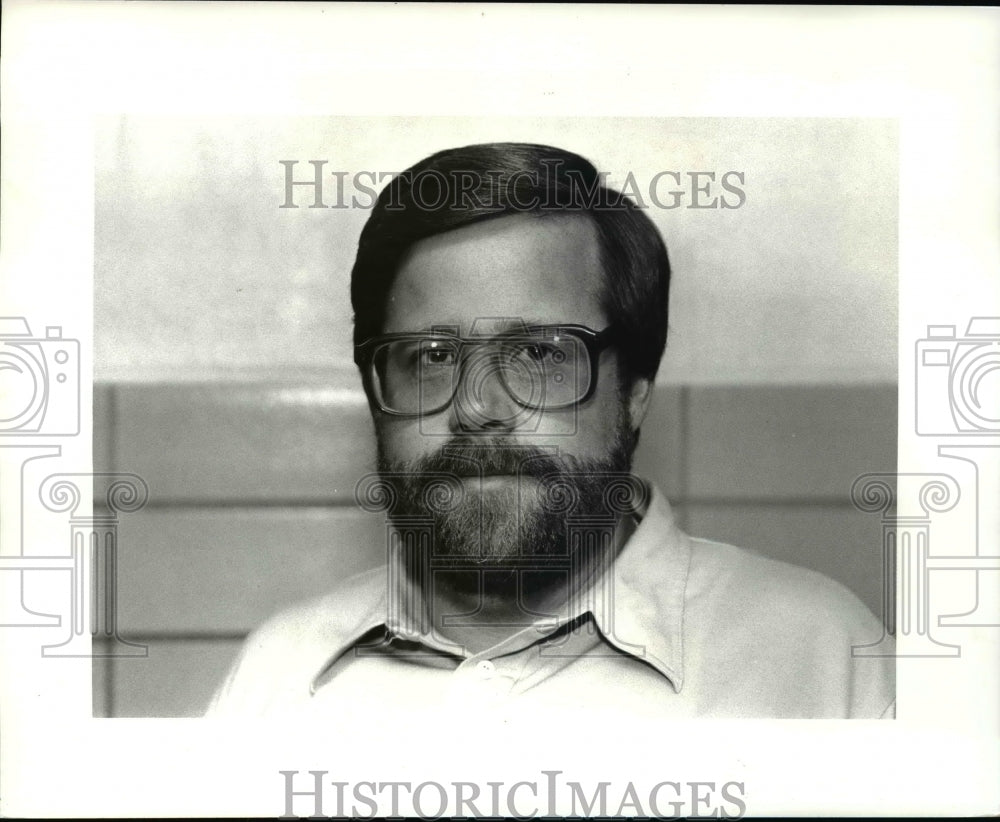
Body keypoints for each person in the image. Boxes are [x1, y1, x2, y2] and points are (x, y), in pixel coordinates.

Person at [207, 143, 895, 719]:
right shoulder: (277, 678)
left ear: (634, 393)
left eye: (539, 353)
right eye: (432, 357)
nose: (479, 408)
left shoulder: (826, 661)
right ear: (374, 394)